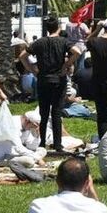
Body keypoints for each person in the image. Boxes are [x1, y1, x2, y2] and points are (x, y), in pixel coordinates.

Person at [26, 17, 71, 152]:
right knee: (56, 112)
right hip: (58, 80)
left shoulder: (39, 42)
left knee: (43, 113)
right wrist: (66, 65)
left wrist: (32, 70)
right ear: (58, 27)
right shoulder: (63, 42)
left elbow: (23, 55)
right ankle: (58, 144)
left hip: (43, 79)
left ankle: (42, 142)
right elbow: (77, 52)